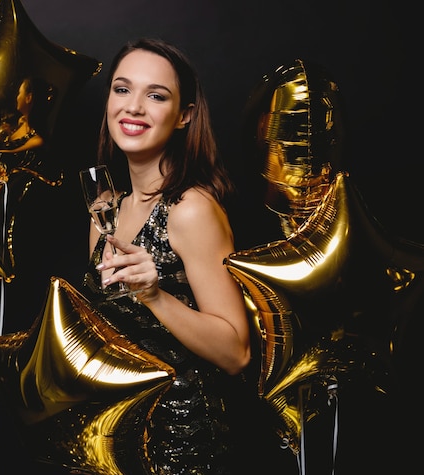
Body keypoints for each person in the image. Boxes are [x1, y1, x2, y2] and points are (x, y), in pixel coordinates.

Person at [81, 38, 252, 475]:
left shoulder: (191, 209)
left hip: (181, 440)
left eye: (156, 95)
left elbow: (236, 353)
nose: (133, 107)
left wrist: (154, 296)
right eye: (122, 89)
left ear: (184, 116)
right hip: (114, 435)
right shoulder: (107, 207)